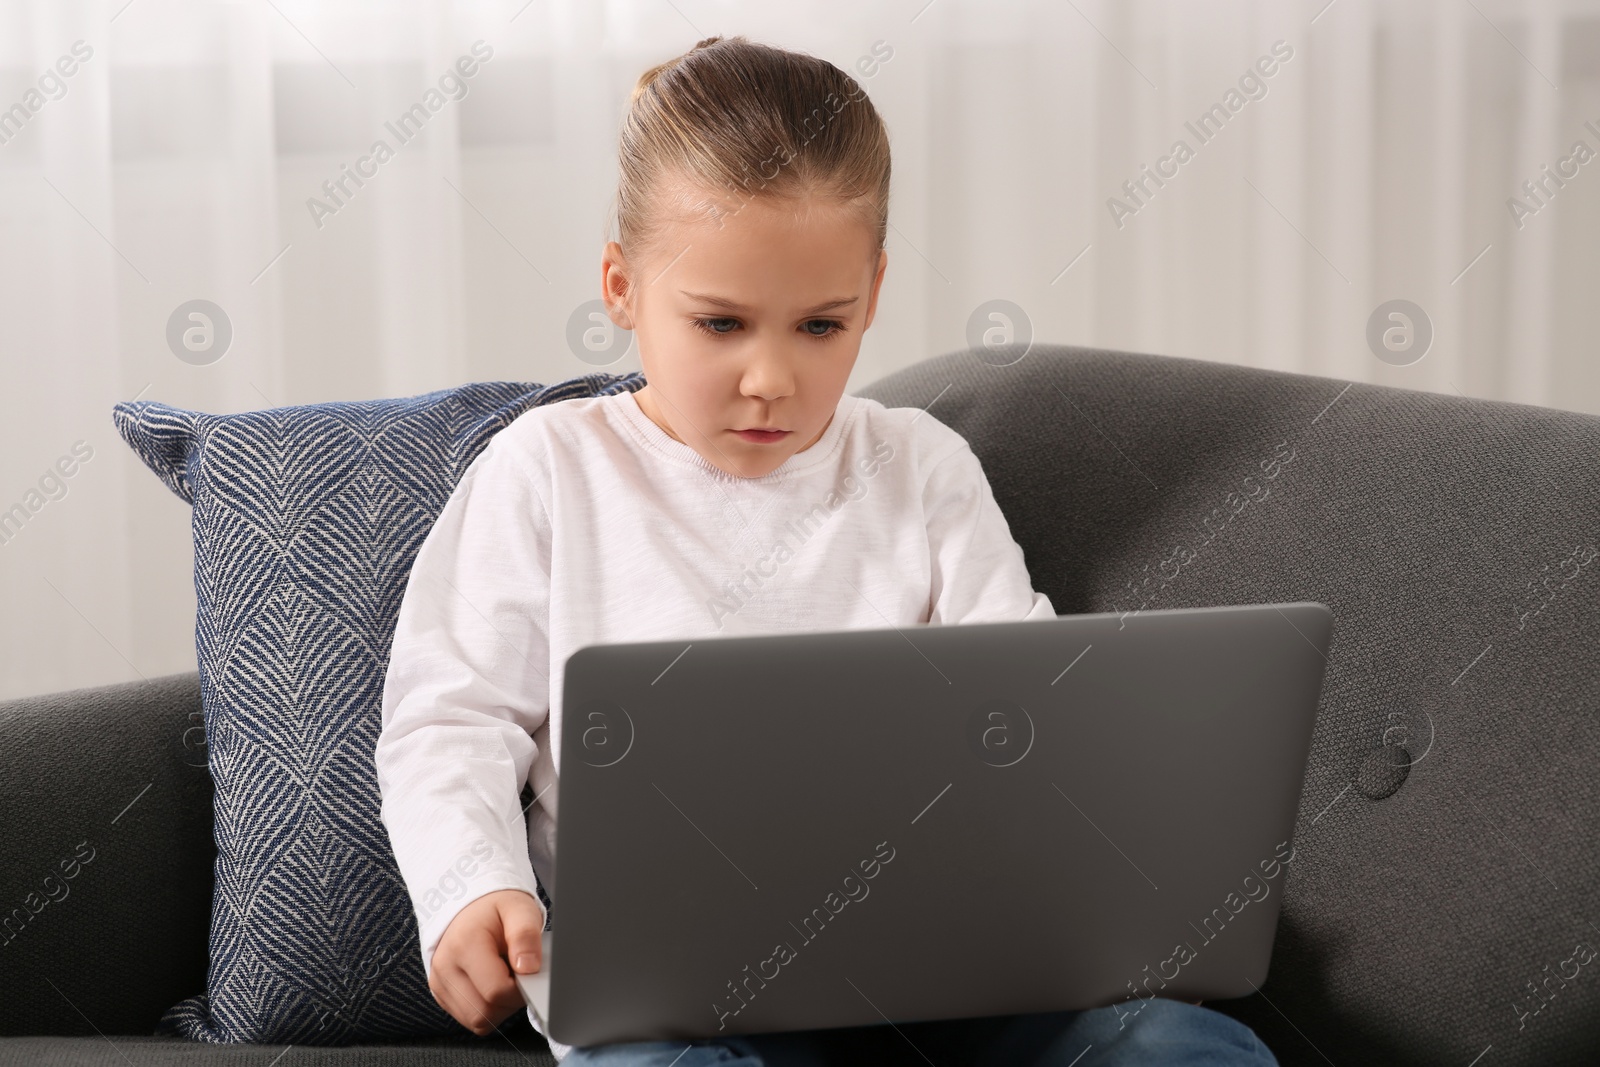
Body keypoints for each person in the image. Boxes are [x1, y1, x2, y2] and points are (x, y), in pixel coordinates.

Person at [376, 34, 1279, 1067]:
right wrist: (469, 884)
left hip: (943, 974)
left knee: (1179, 1047)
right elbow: (448, 718)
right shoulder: (545, 469)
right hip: (672, 1006)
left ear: (874, 292)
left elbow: (1033, 711)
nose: (770, 378)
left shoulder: (920, 465)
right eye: (719, 322)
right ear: (620, 286)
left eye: (819, 325)